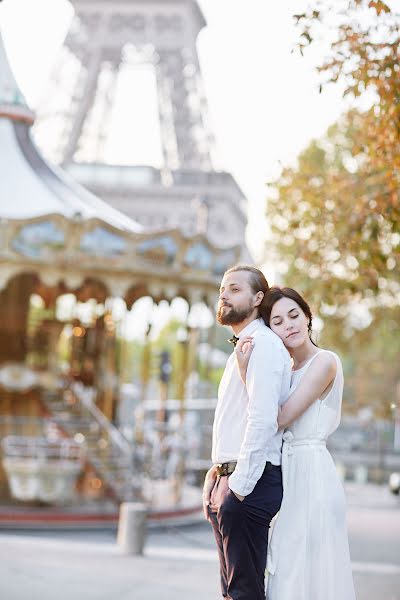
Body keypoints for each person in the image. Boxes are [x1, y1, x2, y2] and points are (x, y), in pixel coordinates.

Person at [235, 286, 356, 600]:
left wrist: (245, 371)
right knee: (287, 565)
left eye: (294, 315)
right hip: (288, 470)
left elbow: (279, 417)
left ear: (307, 317)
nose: (289, 324)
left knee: (311, 568)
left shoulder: (325, 362)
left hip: (312, 473)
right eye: (277, 321)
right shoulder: (284, 369)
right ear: (271, 330)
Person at [203, 265, 292, 600]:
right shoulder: (242, 348)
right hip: (232, 478)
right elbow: (233, 420)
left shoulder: (265, 346)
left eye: (235, 289)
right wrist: (217, 475)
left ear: (257, 298)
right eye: (223, 288)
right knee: (232, 591)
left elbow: (262, 419)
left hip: (248, 482)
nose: (224, 294)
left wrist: (238, 487)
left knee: (245, 592)